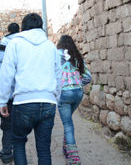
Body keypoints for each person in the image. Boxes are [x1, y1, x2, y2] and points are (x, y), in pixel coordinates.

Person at [0, 13, 61, 165]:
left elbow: (6, 73)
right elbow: (58, 76)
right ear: (41, 27)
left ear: (23, 27)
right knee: (44, 149)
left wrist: (2, 101)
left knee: (18, 143)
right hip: (47, 102)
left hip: (23, 102)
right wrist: (55, 99)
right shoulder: (50, 46)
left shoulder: (15, 44)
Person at [57, 35, 92, 165]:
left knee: (67, 125)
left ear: (60, 44)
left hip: (64, 93)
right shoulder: (76, 56)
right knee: (68, 122)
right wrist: (77, 83)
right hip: (78, 92)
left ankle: (74, 159)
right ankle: (66, 147)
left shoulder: (55, 55)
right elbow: (88, 77)